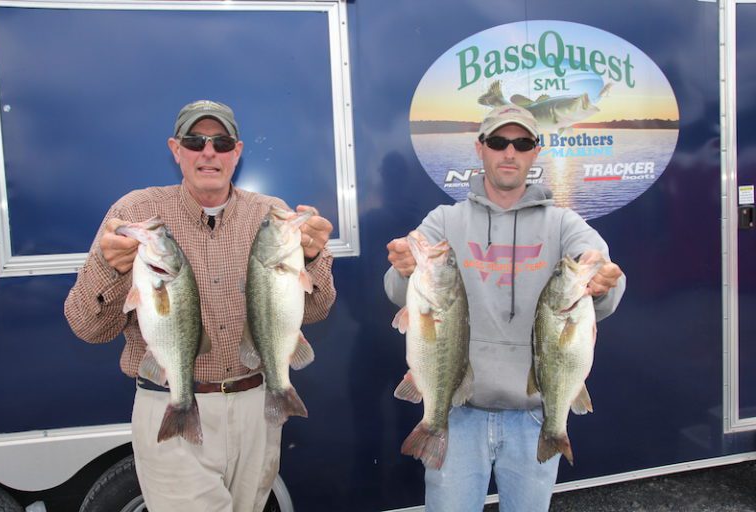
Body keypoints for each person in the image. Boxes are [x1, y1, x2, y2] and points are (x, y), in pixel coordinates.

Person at [64, 100, 336, 512]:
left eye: (221, 142)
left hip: (257, 408)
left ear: (237, 151)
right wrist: (110, 269)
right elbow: (86, 327)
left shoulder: (270, 216)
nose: (209, 151)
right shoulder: (133, 214)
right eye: (196, 140)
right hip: (170, 402)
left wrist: (314, 259)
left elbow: (317, 310)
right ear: (176, 149)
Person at [383, 104, 626, 512]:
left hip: (534, 415)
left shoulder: (564, 224)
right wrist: (405, 267)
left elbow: (601, 270)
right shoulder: (444, 221)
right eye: (498, 142)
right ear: (480, 149)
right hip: (458, 410)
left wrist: (602, 281)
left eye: (522, 143)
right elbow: (395, 289)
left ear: (536, 151)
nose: (509, 153)